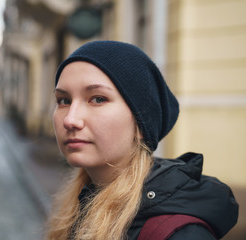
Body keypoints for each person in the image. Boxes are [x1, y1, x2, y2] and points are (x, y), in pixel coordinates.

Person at [46, 41, 238, 240]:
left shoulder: (179, 234)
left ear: (140, 122)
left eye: (98, 99)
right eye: (64, 101)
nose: (70, 120)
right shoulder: (78, 208)